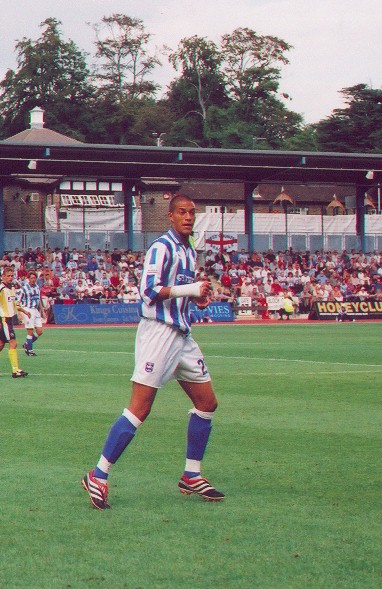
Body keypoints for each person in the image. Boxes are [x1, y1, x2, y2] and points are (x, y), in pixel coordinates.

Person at [82, 194, 225, 509]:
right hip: (158, 334)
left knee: (207, 402)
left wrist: (195, 299)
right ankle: (98, 474)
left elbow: (175, 292)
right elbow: (149, 290)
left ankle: (191, 475)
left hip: (182, 334)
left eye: (192, 212)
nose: (189, 217)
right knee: (139, 409)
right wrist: (190, 289)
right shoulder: (162, 247)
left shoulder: (189, 251)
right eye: (182, 212)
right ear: (170, 216)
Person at [0, 266, 30, 377]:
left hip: (9, 319)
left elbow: (15, 303)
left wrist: (24, 311)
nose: (10, 278)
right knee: (13, 343)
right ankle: (15, 370)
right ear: (3, 276)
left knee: (1, 344)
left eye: (12, 276)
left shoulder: (11, 287)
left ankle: (16, 370)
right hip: (4, 319)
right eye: (8, 276)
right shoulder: (1, 288)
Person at [18, 270, 44, 356]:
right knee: (30, 331)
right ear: (28, 279)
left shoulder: (37, 287)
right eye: (31, 278)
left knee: (40, 331)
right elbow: (18, 302)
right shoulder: (24, 288)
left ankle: (27, 344)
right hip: (28, 309)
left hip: (35, 310)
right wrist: (20, 313)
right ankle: (30, 350)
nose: (33, 279)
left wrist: (42, 311)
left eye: (34, 278)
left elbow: (38, 300)